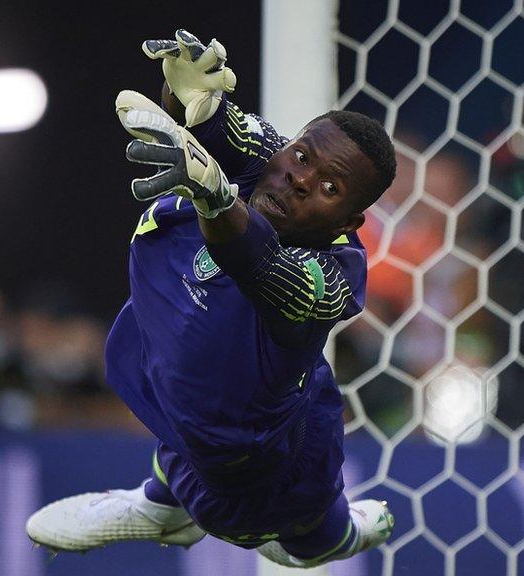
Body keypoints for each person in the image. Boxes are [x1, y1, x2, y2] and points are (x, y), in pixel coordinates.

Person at [25, 30, 396, 568]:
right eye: (301, 154)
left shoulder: (334, 275)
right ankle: (161, 504)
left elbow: (263, 266)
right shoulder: (270, 162)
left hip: (258, 464)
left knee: (301, 532)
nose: (297, 178)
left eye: (329, 188)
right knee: (194, 389)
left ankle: (337, 534)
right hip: (196, 383)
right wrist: (186, 96)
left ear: (349, 221)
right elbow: (212, 125)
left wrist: (217, 199)